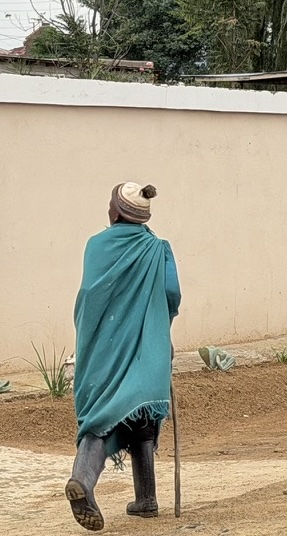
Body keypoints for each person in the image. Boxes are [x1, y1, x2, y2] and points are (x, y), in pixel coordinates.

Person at [66, 182, 181, 531]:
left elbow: (90, 293)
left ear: (116, 211)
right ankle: (146, 498)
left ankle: (83, 479)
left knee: (103, 411)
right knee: (141, 410)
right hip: (149, 344)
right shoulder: (158, 249)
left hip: (104, 345)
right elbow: (171, 294)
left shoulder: (97, 245)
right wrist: (160, 329)